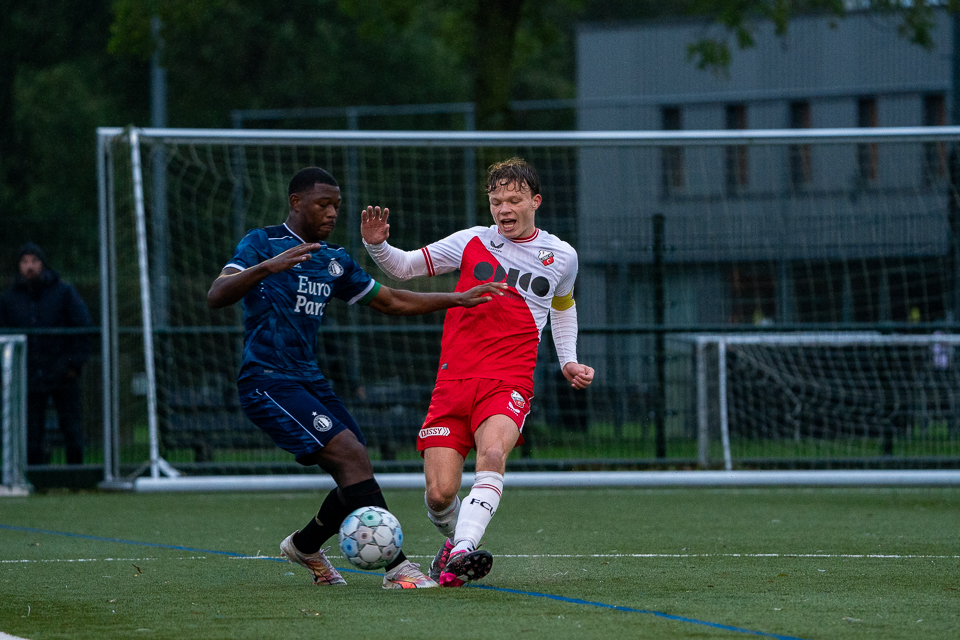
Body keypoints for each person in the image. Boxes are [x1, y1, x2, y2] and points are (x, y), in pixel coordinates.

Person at [206, 166, 505, 590]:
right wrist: (268, 267)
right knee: (350, 456)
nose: (331, 213)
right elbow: (217, 295)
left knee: (356, 465)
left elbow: (393, 300)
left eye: (336, 206)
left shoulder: (334, 260)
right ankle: (398, 567)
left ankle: (305, 545)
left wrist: (455, 298)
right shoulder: (262, 243)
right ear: (296, 203)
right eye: (322, 204)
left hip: (309, 379)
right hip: (266, 380)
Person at [361, 157, 595, 587]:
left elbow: (563, 306)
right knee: (439, 494)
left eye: (514, 199)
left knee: (492, 456)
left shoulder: (562, 257)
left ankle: (466, 548)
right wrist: (377, 245)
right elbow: (404, 266)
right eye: (496, 201)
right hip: (453, 382)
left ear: (535, 201)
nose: (504, 209)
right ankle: (454, 546)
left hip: (509, 378)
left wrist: (568, 361)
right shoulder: (471, 241)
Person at [0, 242, 93, 465]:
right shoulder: (9, 299)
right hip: (28, 374)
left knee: (71, 427)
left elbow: (83, 328)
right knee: (31, 430)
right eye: (25, 262)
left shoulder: (64, 293)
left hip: (62, 373)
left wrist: (72, 365)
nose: (29, 267)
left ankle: (76, 475)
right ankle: (34, 473)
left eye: (34, 261)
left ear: (43, 264)